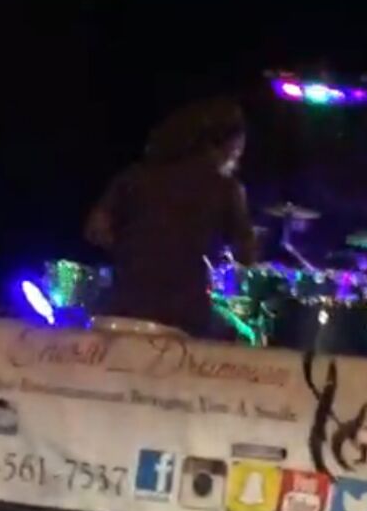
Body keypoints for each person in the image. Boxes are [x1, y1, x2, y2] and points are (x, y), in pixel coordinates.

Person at [85, 98, 259, 336]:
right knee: (241, 334)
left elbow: (95, 230)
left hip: (121, 306)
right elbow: (246, 256)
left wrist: (139, 249)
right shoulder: (226, 188)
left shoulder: (134, 176)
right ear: (228, 144)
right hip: (181, 317)